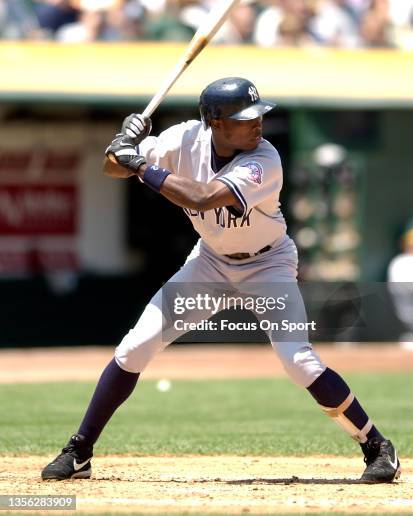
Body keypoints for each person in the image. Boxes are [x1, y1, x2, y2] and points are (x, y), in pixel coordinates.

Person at [41, 77, 400, 484]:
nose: (258, 123)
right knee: (135, 346)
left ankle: (376, 446)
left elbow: (202, 197)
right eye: (244, 118)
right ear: (214, 121)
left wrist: (138, 163)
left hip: (269, 266)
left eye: (258, 114)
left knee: (298, 361)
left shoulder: (264, 159)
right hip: (210, 262)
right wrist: (121, 144)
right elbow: (112, 167)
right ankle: (80, 451)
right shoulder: (182, 140)